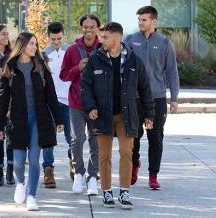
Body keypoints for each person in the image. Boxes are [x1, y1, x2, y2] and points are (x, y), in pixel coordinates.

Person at [81, 22, 154, 209]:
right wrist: (90, 107)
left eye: (105, 37)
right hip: (103, 115)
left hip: (126, 115)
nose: (101, 40)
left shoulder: (134, 60)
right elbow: (86, 86)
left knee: (126, 153)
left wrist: (149, 115)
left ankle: (124, 193)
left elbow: (145, 89)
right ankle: (106, 192)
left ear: (117, 38)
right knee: (104, 156)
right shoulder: (95, 59)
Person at [0, 32, 64, 211]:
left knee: (34, 159)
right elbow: (3, 98)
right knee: (18, 162)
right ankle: (20, 183)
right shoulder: (9, 66)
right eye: (32, 44)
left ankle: (32, 195)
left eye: (36, 44)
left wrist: (58, 119)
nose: (35, 47)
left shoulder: (40, 65)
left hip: (38, 118)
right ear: (22, 45)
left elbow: (51, 95)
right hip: (17, 119)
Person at [124, 6, 180, 190]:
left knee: (155, 137)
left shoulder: (164, 43)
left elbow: (172, 71)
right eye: (139, 19)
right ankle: (134, 165)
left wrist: (174, 98)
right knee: (134, 136)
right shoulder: (130, 40)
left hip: (157, 98)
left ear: (153, 21)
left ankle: (153, 175)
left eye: (144, 20)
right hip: (135, 97)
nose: (140, 22)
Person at [60, 14, 100, 195]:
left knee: (96, 141)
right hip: (76, 102)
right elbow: (63, 75)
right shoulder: (72, 50)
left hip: (98, 104)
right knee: (77, 139)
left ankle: (93, 177)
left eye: (92, 26)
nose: (89, 30)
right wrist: (77, 68)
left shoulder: (103, 48)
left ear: (98, 28)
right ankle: (79, 173)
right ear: (81, 28)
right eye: (85, 26)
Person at [41, 22, 71, 188]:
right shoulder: (43, 54)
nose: (56, 42)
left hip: (69, 102)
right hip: (51, 103)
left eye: (59, 38)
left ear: (63, 35)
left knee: (72, 138)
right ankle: (48, 170)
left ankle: (73, 163)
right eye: (53, 39)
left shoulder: (71, 51)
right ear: (48, 37)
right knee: (48, 139)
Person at [0, 24, 15, 186]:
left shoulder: (13, 55)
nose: (6, 36)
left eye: (7, 34)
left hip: (12, 101)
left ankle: (10, 173)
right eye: (3, 34)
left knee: (12, 139)